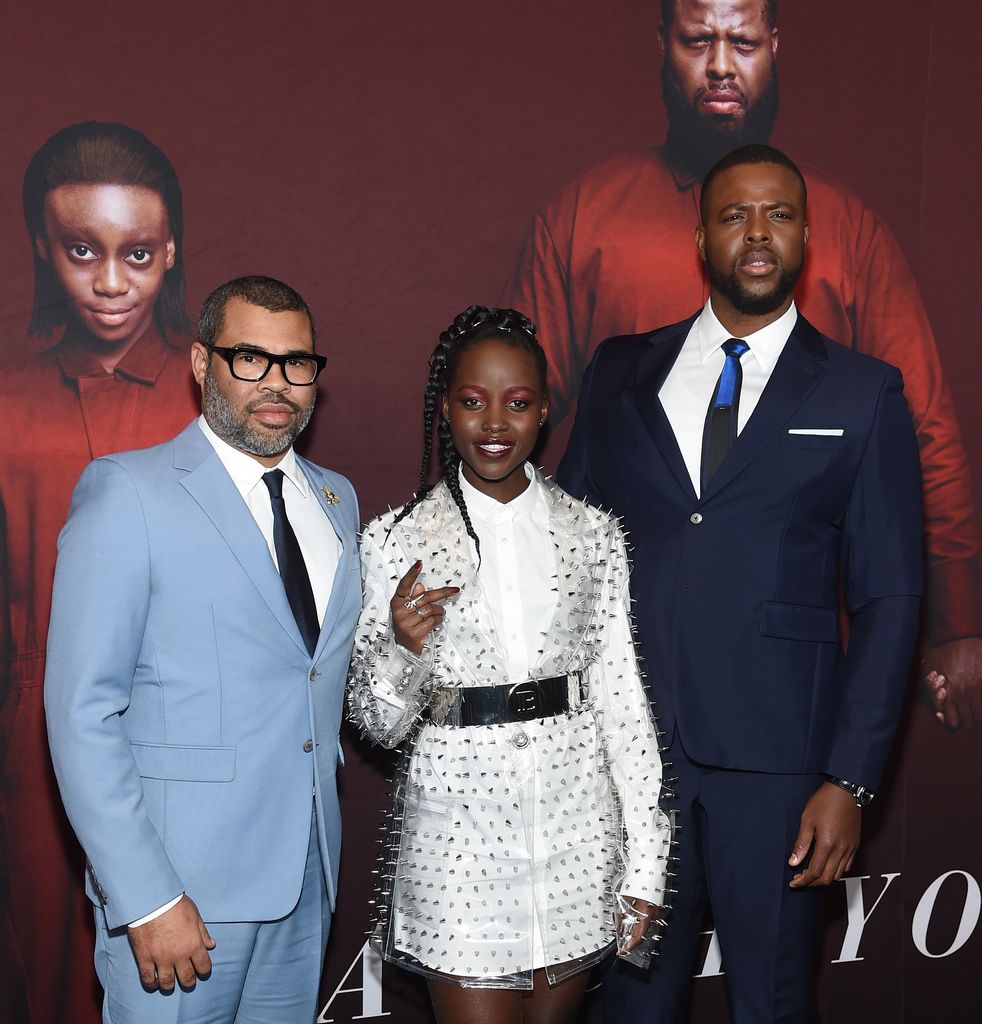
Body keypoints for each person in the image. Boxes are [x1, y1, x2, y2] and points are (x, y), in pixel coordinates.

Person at [506, 0, 982, 730]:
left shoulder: (848, 229)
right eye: (698, 40)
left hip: (788, 664)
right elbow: (508, 416)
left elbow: (925, 431)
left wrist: (956, 621)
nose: (721, 64)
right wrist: (493, 588)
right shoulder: (584, 218)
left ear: (774, 48)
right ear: (663, 45)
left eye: (744, 41)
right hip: (625, 655)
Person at [558, 145, 924, 1023]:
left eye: (778, 215)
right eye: (733, 215)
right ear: (700, 236)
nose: (757, 235)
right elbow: (564, 546)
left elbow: (891, 599)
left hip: (782, 773)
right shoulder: (620, 369)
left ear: (805, 234)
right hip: (632, 761)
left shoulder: (864, 391)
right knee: (629, 1011)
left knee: (773, 1003)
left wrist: (852, 780)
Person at [44, 275, 361, 1023]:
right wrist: (145, 893)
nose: (276, 383)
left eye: (297, 362)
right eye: (249, 358)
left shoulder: (337, 500)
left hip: (307, 881)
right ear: (199, 363)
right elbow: (81, 712)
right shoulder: (129, 491)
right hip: (180, 894)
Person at [347, 305, 672, 1024]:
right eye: (472, 401)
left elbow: (623, 703)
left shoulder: (592, 536)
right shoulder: (395, 541)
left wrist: (647, 858)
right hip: (457, 848)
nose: (494, 422)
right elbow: (377, 725)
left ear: (546, 410)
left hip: (575, 838)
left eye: (517, 402)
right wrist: (404, 647)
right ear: (445, 409)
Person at [0, 121, 199, 1024]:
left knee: (187, 974)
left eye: (139, 253)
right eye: (83, 251)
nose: (112, 283)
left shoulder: (217, 395)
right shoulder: (6, 399)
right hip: (34, 735)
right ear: (44, 247)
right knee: (51, 976)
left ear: (173, 253)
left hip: (192, 734)